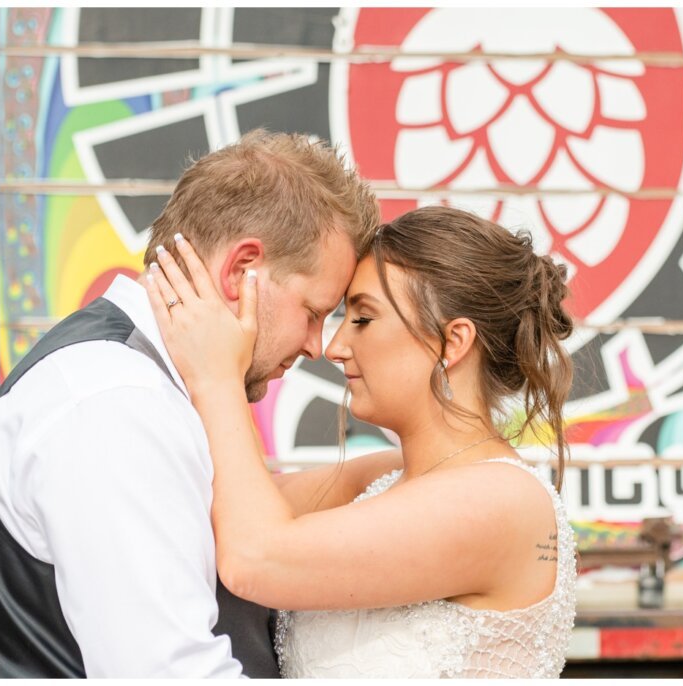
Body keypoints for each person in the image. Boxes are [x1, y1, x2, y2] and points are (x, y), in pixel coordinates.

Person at [0, 129, 380, 677]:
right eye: (314, 311)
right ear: (240, 272)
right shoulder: (117, 406)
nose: (317, 346)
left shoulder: (154, 386)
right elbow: (170, 673)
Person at [145, 205, 579, 678]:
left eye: (363, 318)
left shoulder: (503, 500)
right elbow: (213, 502)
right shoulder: (384, 475)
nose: (334, 348)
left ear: (452, 343)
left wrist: (218, 376)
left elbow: (255, 557)